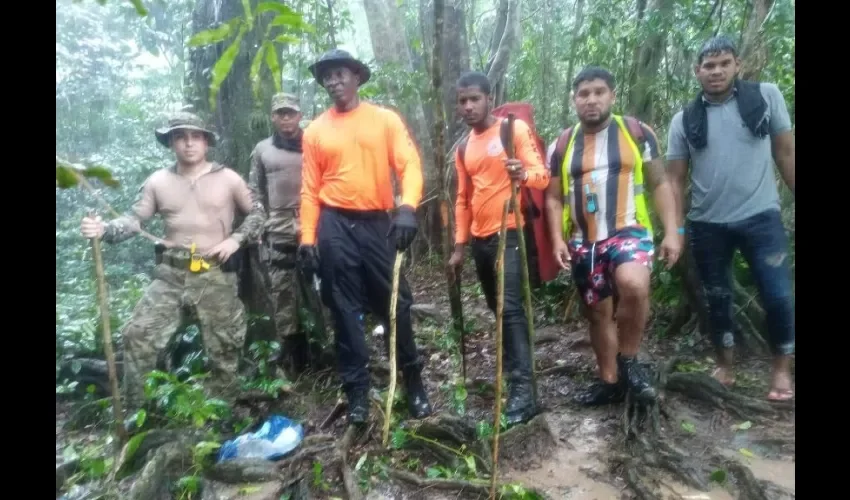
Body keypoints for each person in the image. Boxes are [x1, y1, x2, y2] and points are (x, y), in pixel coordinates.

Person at [79, 111, 266, 408]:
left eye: (195, 137)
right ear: (170, 143)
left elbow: (258, 213)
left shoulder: (229, 178)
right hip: (170, 274)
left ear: (206, 142)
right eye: (180, 137)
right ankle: (138, 410)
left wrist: (235, 239)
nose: (188, 144)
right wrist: (103, 230)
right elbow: (133, 221)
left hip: (215, 272)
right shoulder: (158, 181)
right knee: (137, 335)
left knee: (225, 344)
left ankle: (223, 412)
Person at [298, 49, 432, 424]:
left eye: (340, 73)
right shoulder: (315, 131)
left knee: (397, 302)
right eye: (326, 76)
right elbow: (309, 189)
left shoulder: (384, 120)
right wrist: (308, 238)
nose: (333, 81)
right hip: (334, 223)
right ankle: (356, 393)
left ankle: (413, 382)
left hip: (376, 221)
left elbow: (410, 165)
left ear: (356, 76)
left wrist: (407, 208)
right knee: (343, 307)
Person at [666, 36, 795, 401]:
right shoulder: (684, 119)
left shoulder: (766, 97)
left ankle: (781, 371)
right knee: (716, 297)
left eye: (724, 63)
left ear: (737, 65)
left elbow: (786, 153)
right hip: (708, 225)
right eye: (709, 65)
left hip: (762, 217)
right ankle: (725, 365)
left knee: (778, 294)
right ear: (697, 71)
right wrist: (675, 230)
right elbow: (675, 180)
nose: (717, 71)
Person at [543, 66, 681, 406]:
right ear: (574, 100)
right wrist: (557, 241)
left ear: (612, 95)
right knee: (597, 312)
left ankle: (629, 361)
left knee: (634, 285)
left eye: (599, 92)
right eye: (583, 94)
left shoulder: (636, 132)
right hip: (584, 241)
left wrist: (673, 232)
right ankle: (609, 381)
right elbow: (553, 197)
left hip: (629, 231)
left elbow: (660, 183)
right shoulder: (562, 144)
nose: (591, 100)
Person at [447, 71, 549, 426]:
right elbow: (463, 199)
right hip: (480, 240)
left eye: (475, 98)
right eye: (462, 101)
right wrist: (460, 246)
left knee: (510, 309)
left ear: (489, 98)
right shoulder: (463, 147)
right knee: (495, 307)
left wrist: (522, 173)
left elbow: (542, 175)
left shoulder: (512, 130)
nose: (469, 106)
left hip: (510, 231)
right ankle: (514, 374)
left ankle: (525, 391)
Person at [247, 92, 322, 376]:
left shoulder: (314, 142)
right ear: (273, 117)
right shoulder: (262, 149)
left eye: (291, 112)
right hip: (278, 227)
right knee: (282, 290)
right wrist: (259, 223)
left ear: (299, 115)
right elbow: (255, 190)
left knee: (322, 284)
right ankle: (293, 353)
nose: (286, 118)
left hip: (316, 224)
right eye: (280, 113)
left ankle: (326, 344)